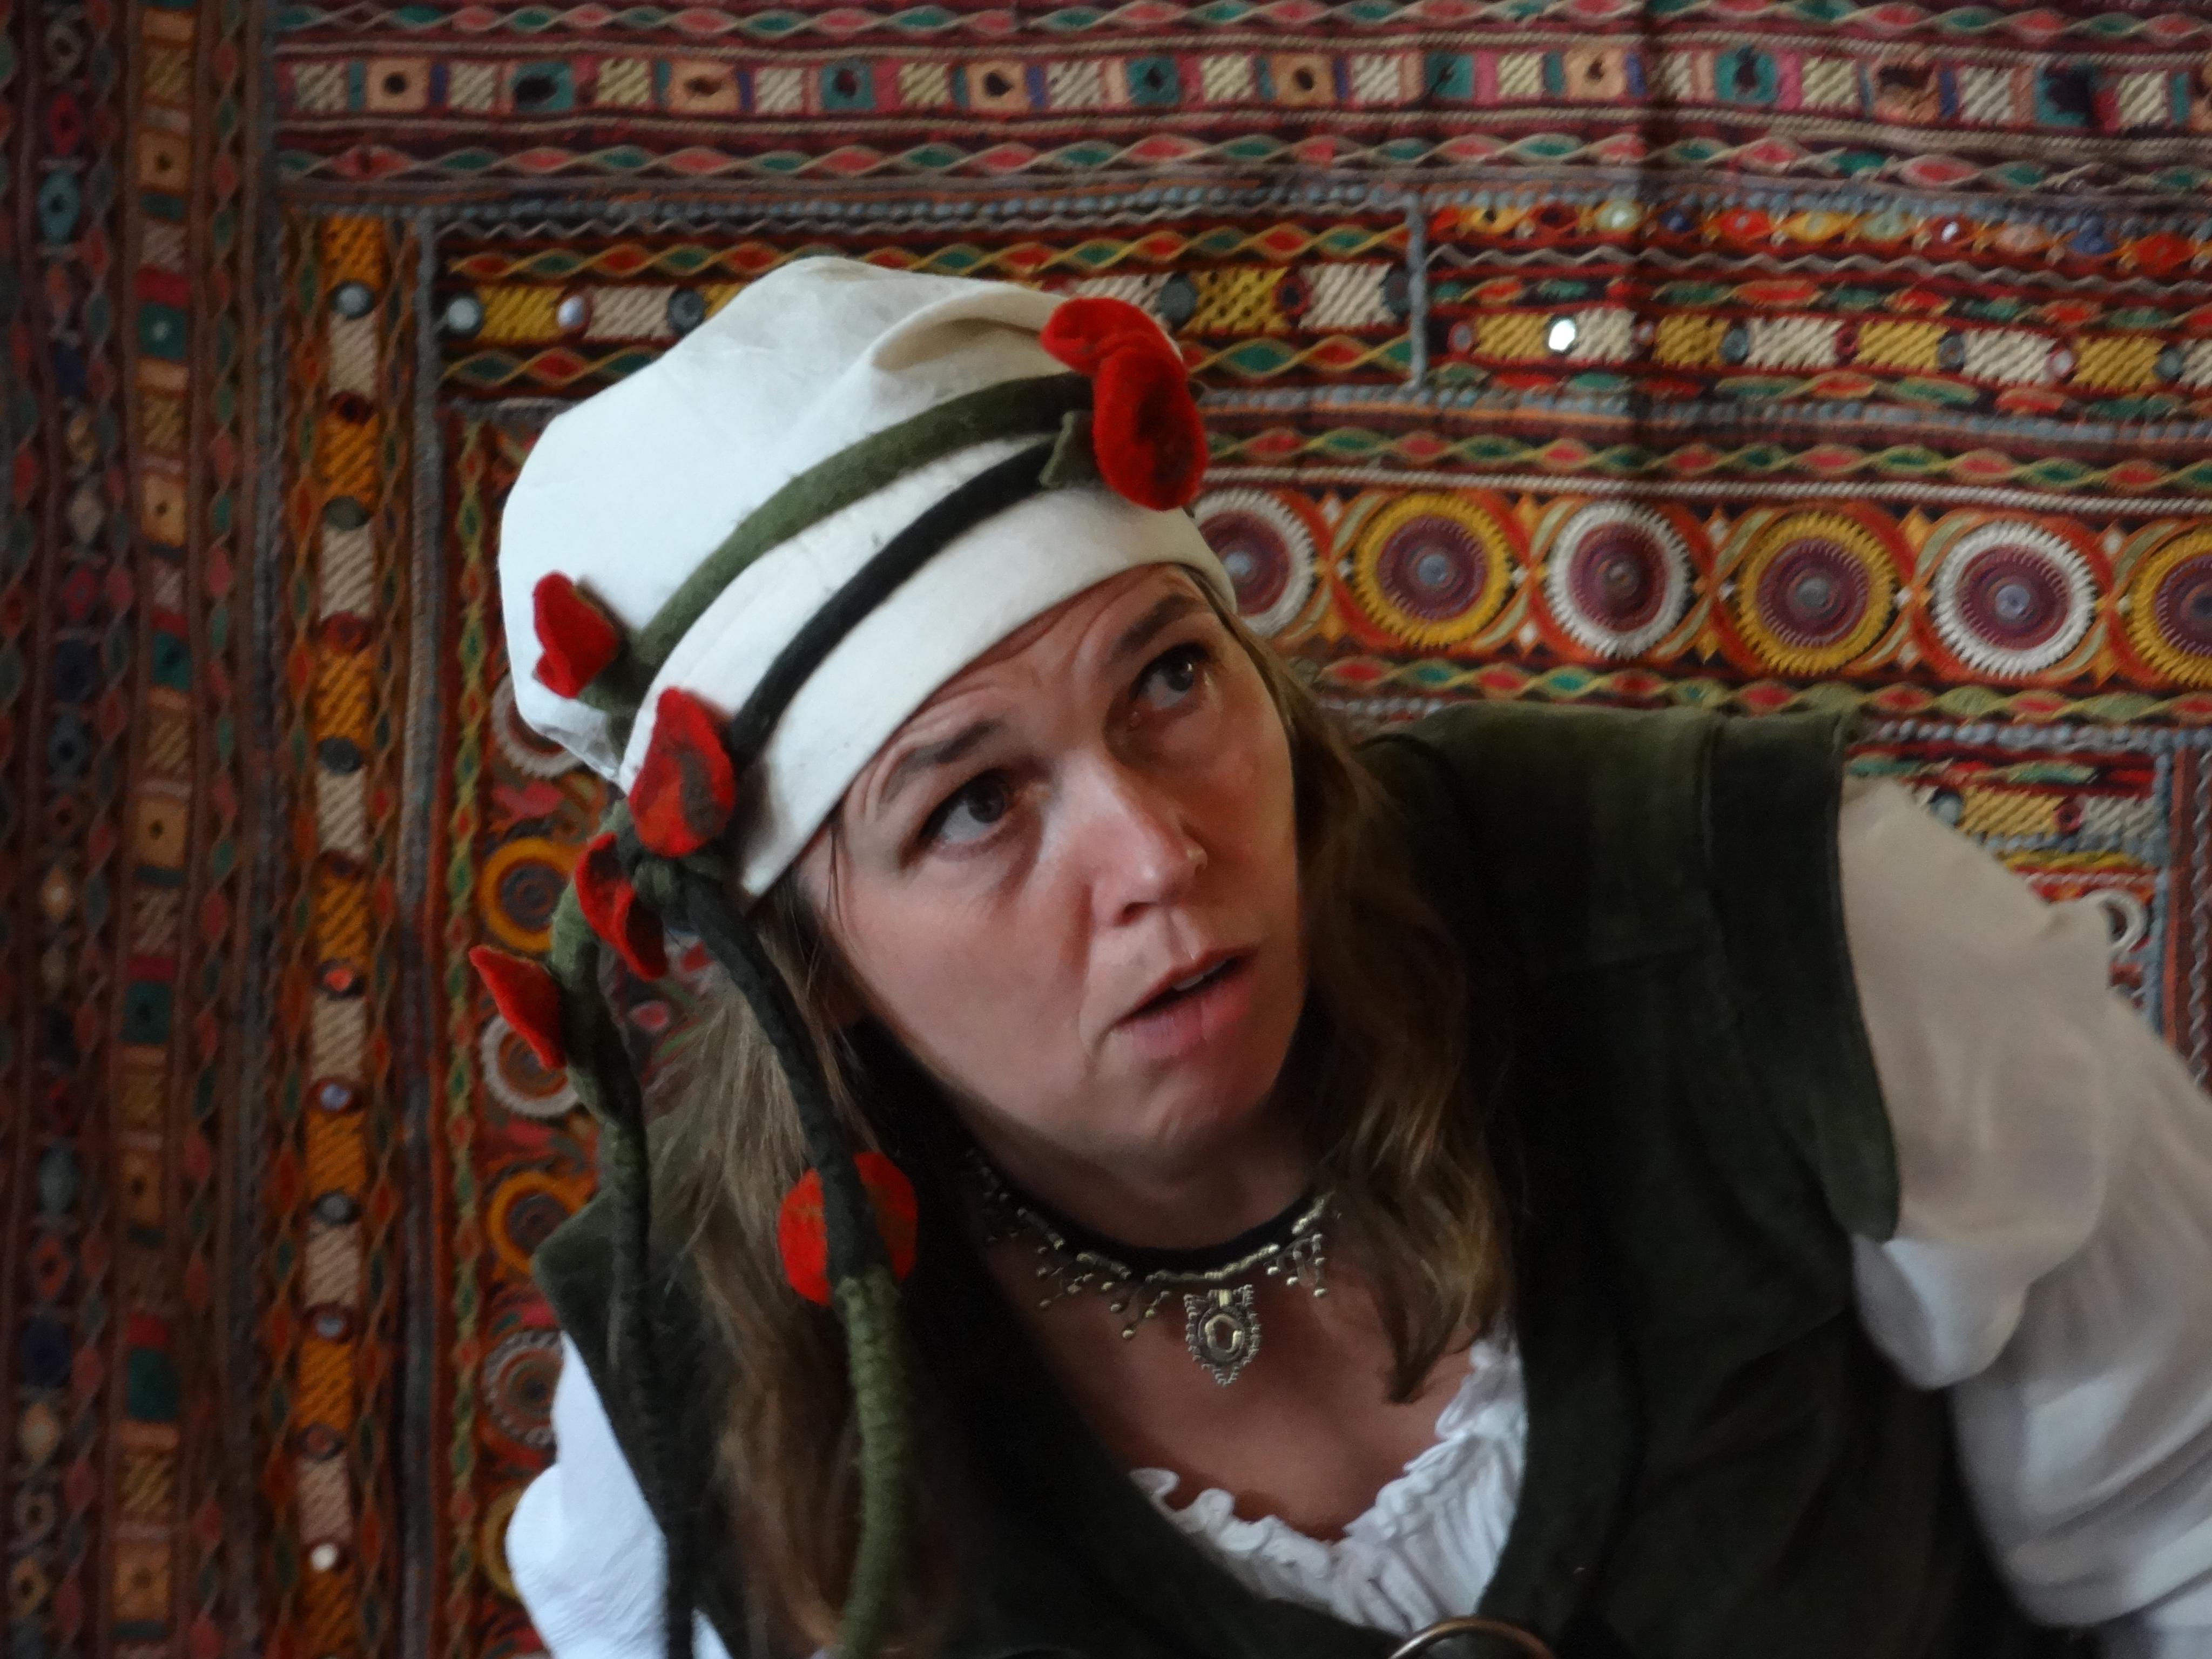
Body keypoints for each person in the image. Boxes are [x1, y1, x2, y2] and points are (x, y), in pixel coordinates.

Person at [473, 258, 2212, 1659]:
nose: (1158, 852)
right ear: (814, 965)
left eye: (1168, 678)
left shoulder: (1759, 927)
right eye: (978, 804)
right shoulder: (707, 1394)